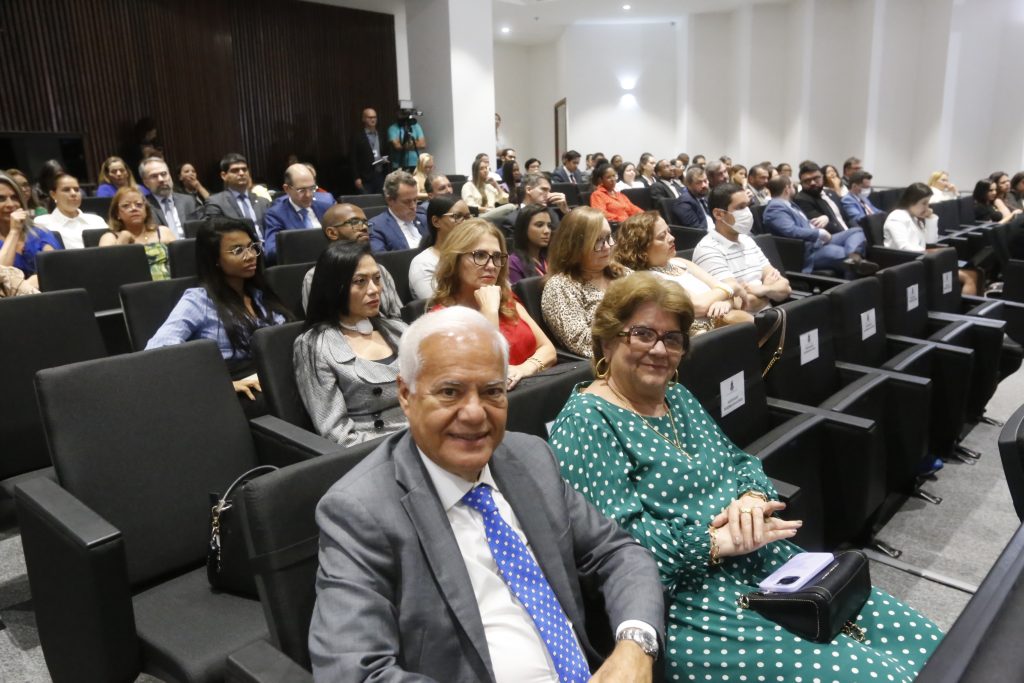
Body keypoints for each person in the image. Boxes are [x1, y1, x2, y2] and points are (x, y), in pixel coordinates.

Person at [549, 272, 942, 682]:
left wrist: (753, 498)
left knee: (926, 642)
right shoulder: (585, 421)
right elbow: (620, 553)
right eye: (644, 334)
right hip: (689, 603)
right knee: (877, 676)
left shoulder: (677, 396)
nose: (660, 350)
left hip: (766, 563)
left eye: (673, 338)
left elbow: (740, 463)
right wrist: (719, 542)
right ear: (609, 339)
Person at [308, 305, 665, 681]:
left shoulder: (529, 458)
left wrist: (635, 645)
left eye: (492, 391)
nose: (476, 413)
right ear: (406, 395)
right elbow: (355, 673)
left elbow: (619, 553)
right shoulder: (359, 511)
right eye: (450, 392)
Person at [146, 217, 291, 414]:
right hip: (240, 393)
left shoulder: (259, 293)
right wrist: (223, 384)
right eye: (238, 251)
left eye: (252, 247)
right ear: (215, 259)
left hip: (275, 376)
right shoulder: (199, 300)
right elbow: (157, 351)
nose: (250, 256)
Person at [294, 241, 408, 445]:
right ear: (335, 287)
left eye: (377, 279)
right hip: (376, 449)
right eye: (360, 281)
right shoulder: (314, 345)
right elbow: (336, 433)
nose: (374, 290)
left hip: (428, 435)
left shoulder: (398, 329)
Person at [429, 219, 556, 389]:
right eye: (480, 255)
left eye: (497, 257)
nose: (491, 266)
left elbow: (548, 349)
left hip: (536, 392)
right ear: (455, 260)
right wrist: (489, 313)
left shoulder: (505, 299)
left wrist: (524, 368)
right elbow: (488, 372)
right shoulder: (441, 319)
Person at [614, 212, 752, 332]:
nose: (671, 238)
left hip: (727, 323)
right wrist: (731, 288)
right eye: (662, 236)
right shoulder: (648, 279)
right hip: (704, 336)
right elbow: (697, 306)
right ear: (642, 247)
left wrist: (725, 304)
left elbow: (730, 296)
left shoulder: (681, 262)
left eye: (669, 231)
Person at [542, 206, 631, 357]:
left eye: (609, 237)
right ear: (575, 246)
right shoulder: (561, 286)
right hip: (612, 361)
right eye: (598, 241)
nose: (608, 246)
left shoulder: (621, 272)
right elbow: (582, 342)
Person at [693, 183, 791, 312]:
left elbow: (785, 288)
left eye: (747, 206)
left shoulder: (747, 240)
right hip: (744, 326)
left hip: (772, 316)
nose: (747, 212)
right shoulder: (708, 249)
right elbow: (740, 305)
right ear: (718, 214)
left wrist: (763, 289)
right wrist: (768, 294)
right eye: (740, 207)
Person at [300, 203, 403, 318]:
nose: (364, 227)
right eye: (354, 223)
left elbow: (397, 315)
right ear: (332, 233)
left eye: (365, 222)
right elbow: (319, 324)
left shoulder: (379, 270)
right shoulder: (315, 276)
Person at [764, 175, 877, 277]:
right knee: (845, 255)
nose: (794, 188)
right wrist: (819, 233)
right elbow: (790, 231)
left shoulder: (788, 204)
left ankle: (854, 256)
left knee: (856, 231)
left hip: (817, 243)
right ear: (787, 189)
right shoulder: (775, 208)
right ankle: (853, 262)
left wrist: (812, 223)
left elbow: (799, 224)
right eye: (792, 186)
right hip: (807, 252)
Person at [885, 182, 978, 295]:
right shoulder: (897, 217)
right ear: (911, 201)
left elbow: (931, 241)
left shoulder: (915, 218)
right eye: (924, 203)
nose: (927, 207)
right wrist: (928, 253)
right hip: (905, 264)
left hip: (920, 261)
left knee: (974, 274)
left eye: (928, 203)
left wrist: (931, 218)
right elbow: (903, 247)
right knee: (969, 278)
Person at [263, 162, 336, 263]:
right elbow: (271, 252)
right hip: (301, 266)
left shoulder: (326, 202)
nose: (309, 195)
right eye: (302, 190)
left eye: (312, 188)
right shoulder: (276, 214)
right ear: (287, 189)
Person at [99, 186, 176, 280]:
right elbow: (106, 273)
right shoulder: (109, 238)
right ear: (117, 214)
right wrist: (122, 241)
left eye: (139, 205)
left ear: (146, 210)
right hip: (133, 290)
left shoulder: (163, 231)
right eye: (126, 206)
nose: (133, 208)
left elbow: (180, 263)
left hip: (171, 286)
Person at [0, 172, 61, 288]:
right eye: (1, 199)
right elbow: (1, 277)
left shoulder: (40, 232)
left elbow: (54, 269)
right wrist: (14, 232)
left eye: (14, 197)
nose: (10, 204)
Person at [408, 195, 470, 300]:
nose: (466, 223)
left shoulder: (475, 254)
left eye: (468, 217)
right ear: (436, 221)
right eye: (457, 216)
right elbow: (438, 304)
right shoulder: (423, 263)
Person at [202, 153, 271, 237]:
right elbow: (216, 235)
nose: (241, 173)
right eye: (235, 170)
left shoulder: (263, 202)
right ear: (224, 176)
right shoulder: (215, 203)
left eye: (244, 169)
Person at [34, 173, 108, 248]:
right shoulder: (41, 223)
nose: (73, 193)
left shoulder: (97, 220)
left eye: (76, 190)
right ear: (53, 194)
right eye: (66, 190)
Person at [139, 156, 200, 239]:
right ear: (146, 182)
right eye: (154, 176)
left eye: (164, 174)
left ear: (170, 175)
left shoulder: (188, 201)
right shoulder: (143, 206)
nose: (161, 179)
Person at [369, 170, 428, 252]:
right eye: (407, 202)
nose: (413, 206)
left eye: (415, 200)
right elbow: (381, 260)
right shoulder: (377, 227)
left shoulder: (424, 218)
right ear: (390, 200)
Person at [498, 172, 568, 234]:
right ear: (529, 190)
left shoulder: (552, 214)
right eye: (544, 189)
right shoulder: (512, 220)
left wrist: (566, 212)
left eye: (549, 191)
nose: (548, 194)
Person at [508, 203, 551, 284]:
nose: (547, 231)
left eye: (549, 226)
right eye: (539, 225)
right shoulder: (513, 263)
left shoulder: (551, 258)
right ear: (524, 228)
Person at [351, 107, 388, 194]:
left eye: (374, 117)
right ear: (363, 119)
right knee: (368, 202)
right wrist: (356, 177)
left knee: (381, 202)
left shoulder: (381, 134)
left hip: (380, 175)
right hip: (365, 177)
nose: (373, 120)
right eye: (370, 117)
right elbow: (353, 159)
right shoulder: (357, 137)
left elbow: (386, 153)